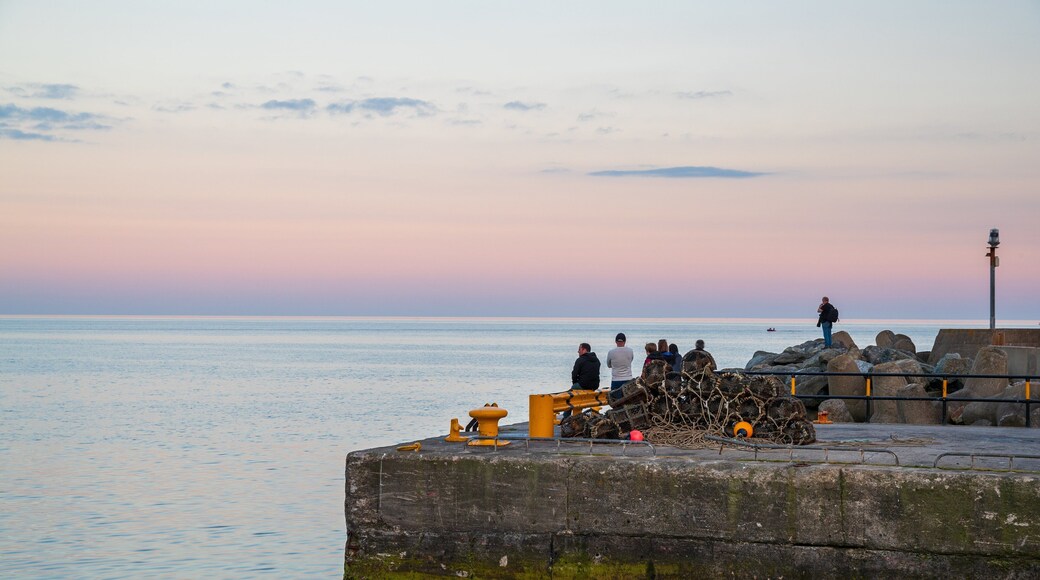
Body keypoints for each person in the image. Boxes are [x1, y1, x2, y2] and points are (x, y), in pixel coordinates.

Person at [564, 342, 600, 419]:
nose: (578, 351)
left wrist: (575, 383)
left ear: (584, 350)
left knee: (569, 396)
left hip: (583, 385)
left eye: (579, 349)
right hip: (594, 386)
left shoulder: (580, 360)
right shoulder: (597, 360)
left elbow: (574, 374)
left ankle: (565, 417)